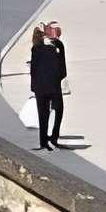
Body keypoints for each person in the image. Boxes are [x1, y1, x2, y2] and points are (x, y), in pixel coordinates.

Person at [28, 22, 69, 150]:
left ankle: (43, 141)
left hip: (39, 87)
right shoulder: (58, 46)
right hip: (53, 86)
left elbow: (33, 69)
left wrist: (34, 86)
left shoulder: (35, 48)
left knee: (43, 114)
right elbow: (63, 70)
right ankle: (54, 137)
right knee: (59, 110)